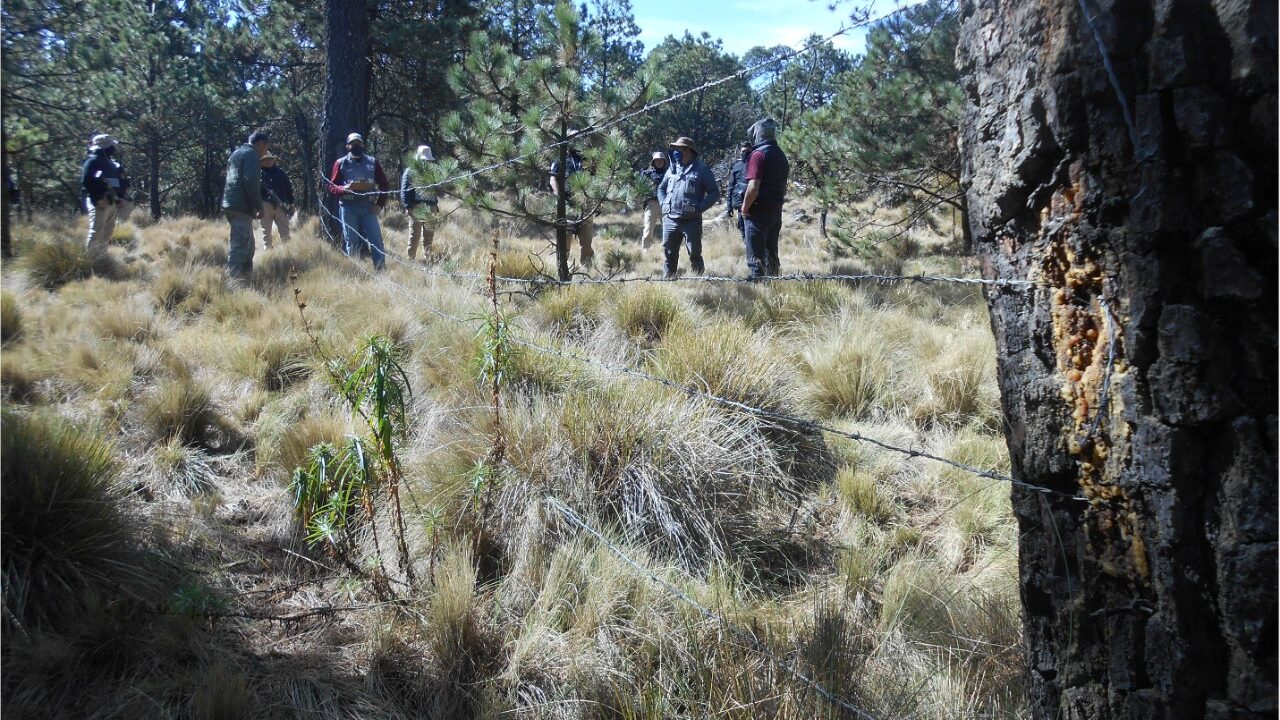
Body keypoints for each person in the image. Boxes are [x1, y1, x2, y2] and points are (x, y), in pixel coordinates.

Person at [656, 136, 720, 278]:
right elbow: (661, 189)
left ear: (689, 150)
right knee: (669, 253)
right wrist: (663, 204)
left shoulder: (702, 169)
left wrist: (700, 208)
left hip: (691, 221)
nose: (676, 152)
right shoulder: (672, 169)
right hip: (670, 219)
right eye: (675, 149)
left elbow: (714, 193)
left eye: (680, 149)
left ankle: (698, 281)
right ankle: (668, 280)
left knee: (695, 253)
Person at [329, 132, 391, 269]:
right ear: (347, 146)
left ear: (363, 145)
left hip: (369, 208)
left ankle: (381, 272)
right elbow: (332, 186)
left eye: (359, 143)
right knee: (352, 242)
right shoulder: (340, 163)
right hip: (348, 208)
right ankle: (354, 272)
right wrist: (344, 188)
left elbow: (385, 184)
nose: (356, 145)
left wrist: (379, 204)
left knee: (376, 240)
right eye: (353, 143)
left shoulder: (373, 162)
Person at [740, 118, 790, 278]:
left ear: (757, 136)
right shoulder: (781, 155)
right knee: (771, 253)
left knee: (756, 257)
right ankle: (774, 284)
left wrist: (744, 208)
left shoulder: (758, 155)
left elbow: (753, 187)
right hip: (775, 211)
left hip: (757, 212)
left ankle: (758, 287)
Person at [222, 129, 269, 280]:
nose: (266, 152)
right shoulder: (252, 155)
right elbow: (250, 182)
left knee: (248, 247)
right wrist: (259, 206)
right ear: (261, 143)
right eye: (266, 147)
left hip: (230, 204)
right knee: (240, 247)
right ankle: (233, 283)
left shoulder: (236, 154)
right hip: (241, 207)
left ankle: (247, 278)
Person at [549, 145, 594, 268]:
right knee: (564, 239)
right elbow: (552, 179)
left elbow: (594, 179)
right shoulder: (559, 159)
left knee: (587, 240)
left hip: (585, 203)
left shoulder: (586, 160)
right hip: (567, 203)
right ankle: (561, 267)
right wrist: (559, 197)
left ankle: (588, 269)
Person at [80, 134, 124, 256]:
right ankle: (90, 261)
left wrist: (118, 198)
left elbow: (114, 183)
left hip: (112, 202)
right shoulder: (92, 161)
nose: (113, 148)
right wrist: (97, 199)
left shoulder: (110, 163)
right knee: (96, 232)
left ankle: (102, 258)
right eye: (111, 146)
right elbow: (87, 181)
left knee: (107, 232)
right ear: (105, 146)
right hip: (100, 203)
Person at [401, 145, 439, 259]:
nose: (426, 162)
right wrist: (408, 206)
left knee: (429, 235)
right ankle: (411, 259)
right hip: (415, 207)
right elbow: (404, 190)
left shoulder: (433, 171)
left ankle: (428, 258)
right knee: (415, 235)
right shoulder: (410, 171)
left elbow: (438, 190)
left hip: (431, 207)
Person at [258, 151, 294, 248]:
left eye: (270, 159)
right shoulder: (257, 174)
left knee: (285, 233)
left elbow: (288, 189)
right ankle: (268, 255)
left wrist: (291, 203)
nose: (268, 161)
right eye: (265, 160)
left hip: (281, 205)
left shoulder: (281, 173)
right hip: (264, 205)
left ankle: (289, 254)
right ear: (261, 161)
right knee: (266, 233)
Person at [639, 151, 668, 250]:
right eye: (657, 160)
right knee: (648, 228)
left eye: (661, 160)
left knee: (668, 228)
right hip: (652, 203)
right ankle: (646, 250)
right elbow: (641, 184)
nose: (659, 162)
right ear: (653, 162)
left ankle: (668, 250)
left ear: (664, 161)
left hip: (665, 203)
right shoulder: (647, 174)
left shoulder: (669, 173)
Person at [722, 141, 751, 228]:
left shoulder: (757, 163)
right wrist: (729, 206)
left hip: (755, 205)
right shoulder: (737, 166)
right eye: (743, 151)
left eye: (747, 151)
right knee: (742, 229)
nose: (745, 153)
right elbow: (731, 186)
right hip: (740, 203)